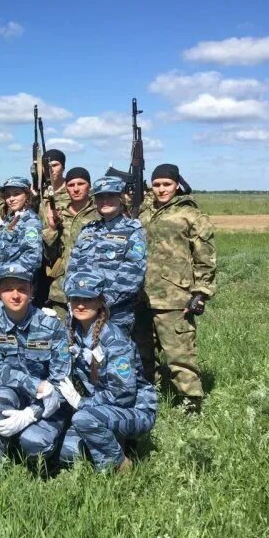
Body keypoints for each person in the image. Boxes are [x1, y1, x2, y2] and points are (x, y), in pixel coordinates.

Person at [133, 164, 216, 409]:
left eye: (166, 184)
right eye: (156, 185)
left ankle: (191, 401)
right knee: (143, 352)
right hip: (142, 295)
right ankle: (151, 394)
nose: (161, 189)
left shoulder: (190, 214)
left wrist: (201, 292)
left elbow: (206, 256)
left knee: (179, 354)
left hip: (175, 296)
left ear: (177, 184)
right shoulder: (143, 212)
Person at [0, 264, 71, 464]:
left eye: (22, 289)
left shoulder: (51, 326)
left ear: (32, 290)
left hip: (47, 403)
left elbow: (61, 381)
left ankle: (46, 458)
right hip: (12, 396)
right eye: (8, 289)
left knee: (34, 444)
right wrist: (34, 384)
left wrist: (31, 413)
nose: (15, 295)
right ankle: (1, 462)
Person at [58, 272, 157, 472]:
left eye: (88, 299)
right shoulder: (75, 332)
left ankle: (119, 466)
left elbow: (124, 394)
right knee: (68, 454)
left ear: (100, 302)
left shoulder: (114, 340)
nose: (80, 305)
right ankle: (116, 443)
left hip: (134, 410)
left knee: (83, 419)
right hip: (103, 408)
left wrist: (81, 403)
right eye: (76, 298)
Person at [68, 176, 146, 333]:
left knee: (113, 354)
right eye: (100, 197)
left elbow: (133, 273)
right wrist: (75, 298)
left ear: (121, 198)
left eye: (110, 195)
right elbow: (72, 267)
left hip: (114, 312)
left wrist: (100, 303)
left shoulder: (133, 231)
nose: (105, 200)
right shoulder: (87, 230)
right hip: (82, 308)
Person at [42, 163, 97, 319]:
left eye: (81, 184)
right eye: (71, 185)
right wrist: (52, 229)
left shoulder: (99, 214)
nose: (76, 189)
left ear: (89, 186)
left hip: (91, 290)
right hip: (61, 290)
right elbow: (49, 255)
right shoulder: (58, 214)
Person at [0, 176, 43, 284]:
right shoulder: (10, 219)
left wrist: (8, 277)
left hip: (14, 285)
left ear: (27, 195)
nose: (11, 199)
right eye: (7, 195)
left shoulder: (30, 222)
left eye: (16, 194)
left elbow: (33, 258)